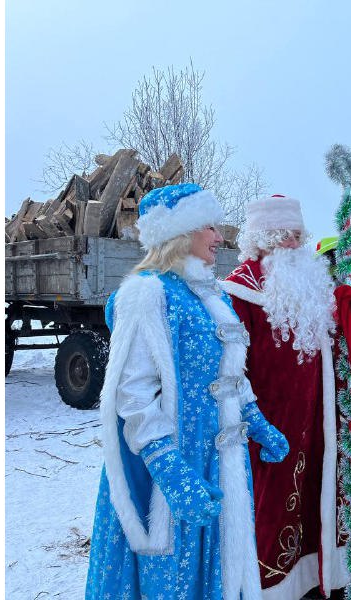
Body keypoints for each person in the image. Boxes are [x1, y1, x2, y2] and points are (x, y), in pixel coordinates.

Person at [85, 183, 290, 600]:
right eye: (210, 228)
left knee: (223, 562)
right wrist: (172, 472)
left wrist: (255, 421)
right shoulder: (148, 293)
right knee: (174, 572)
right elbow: (132, 394)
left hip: (222, 461)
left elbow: (229, 372)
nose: (220, 237)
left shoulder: (209, 293)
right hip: (178, 461)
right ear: (182, 232)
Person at [221, 194, 351, 600]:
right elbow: (230, 366)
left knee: (320, 494)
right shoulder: (239, 291)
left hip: (320, 419)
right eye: (287, 236)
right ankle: (274, 587)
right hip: (269, 421)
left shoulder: (314, 283)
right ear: (264, 238)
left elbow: (336, 344)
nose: (296, 245)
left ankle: (323, 578)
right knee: (274, 505)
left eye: (299, 236)